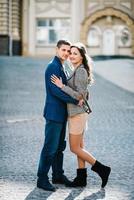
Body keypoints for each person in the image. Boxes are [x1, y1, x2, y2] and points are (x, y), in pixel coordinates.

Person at [51, 42, 111, 188]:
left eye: (75, 53)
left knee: (74, 148)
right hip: (76, 113)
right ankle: (81, 178)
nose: (71, 55)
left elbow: (79, 95)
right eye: (70, 53)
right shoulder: (75, 69)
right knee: (80, 146)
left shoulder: (81, 71)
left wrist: (62, 86)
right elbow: (83, 93)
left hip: (78, 114)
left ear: (82, 56)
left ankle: (102, 169)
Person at [37, 40, 79, 192]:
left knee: (60, 147)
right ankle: (42, 178)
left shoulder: (62, 66)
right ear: (57, 50)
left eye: (68, 51)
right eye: (63, 50)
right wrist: (75, 100)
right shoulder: (53, 67)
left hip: (61, 114)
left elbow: (65, 87)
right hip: (54, 114)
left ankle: (57, 175)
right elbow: (56, 91)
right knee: (50, 147)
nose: (66, 53)